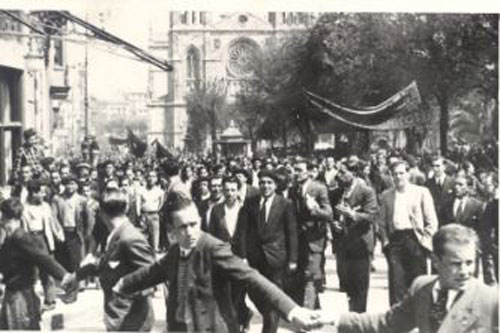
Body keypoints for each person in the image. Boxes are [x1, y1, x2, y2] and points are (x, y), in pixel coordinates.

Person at [113, 194, 321, 333]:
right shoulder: (175, 252)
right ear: (171, 231)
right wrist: (122, 284)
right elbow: (152, 273)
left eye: (194, 224)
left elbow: (252, 277)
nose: (190, 232)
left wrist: (293, 310)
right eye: (183, 227)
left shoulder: (213, 248)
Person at [317, 224, 498, 333]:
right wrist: (335, 317)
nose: (465, 271)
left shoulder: (490, 300)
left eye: (470, 262)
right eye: (456, 264)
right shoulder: (422, 287)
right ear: (435, 261)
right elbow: (388, 324)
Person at [63, 189, 156, 331]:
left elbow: (151, 277)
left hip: (131, 321)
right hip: (120, 318)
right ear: (126, 208)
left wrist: (123, 287)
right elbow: (106, 264)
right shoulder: (117, 234)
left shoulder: (130, 238)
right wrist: (77, 276)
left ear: (100, 213)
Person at [238, 170, 298, 333]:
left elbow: (291, 232)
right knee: (254, 293)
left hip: (276, 258)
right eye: (262, 182)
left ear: (276, 185)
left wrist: (293, 259)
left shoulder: (285, 204)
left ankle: (269, 328)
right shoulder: (250, 203)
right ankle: (267, 315)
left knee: (273, 297)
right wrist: (243, 255)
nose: (265, 186)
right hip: (255, 258)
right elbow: (242, 231)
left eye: (269, 183)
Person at [0, 198, 71, 330]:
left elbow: (43, 259)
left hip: (20, 297)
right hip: (12, 294)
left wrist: (65, 277)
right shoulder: (10, 236)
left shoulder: (20, 238)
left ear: (3, 215)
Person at [377, 161, 438, 305]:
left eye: (401, 173)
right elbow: (381, 223)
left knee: (418, 282)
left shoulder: (421, 192)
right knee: (397, 283)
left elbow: (432, 221)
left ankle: (419, 319)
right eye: (395, 174)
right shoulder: (386, 195)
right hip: (395, 241)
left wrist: (425, 242)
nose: (398, 177)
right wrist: (386, 242)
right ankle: (397, 322)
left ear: (408, 174)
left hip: (415, 240)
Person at [330, 161, 378, 313]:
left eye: (343, 172)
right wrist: (334, 224)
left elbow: (370, 216)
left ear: (354, 173)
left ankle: (359, 318)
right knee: (347, 285)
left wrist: (351, 214)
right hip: (343, 245)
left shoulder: (366, 191)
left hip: (360, 244)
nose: (339, 175)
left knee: (360, 285)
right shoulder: (336, 192)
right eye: (338, 171)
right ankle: (352, 316)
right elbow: (331, 214)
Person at [290, 157, 332, 309]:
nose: (296, 173)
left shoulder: (319, 188)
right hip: (298, 241)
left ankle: (307, 317)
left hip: (314, 240)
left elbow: (329, 214)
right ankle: (315, 309)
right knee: (301, 277)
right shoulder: (293, 189)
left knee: (310, 276)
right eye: (294, 170)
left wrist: (314, 209)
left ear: (308, 172)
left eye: (300, 170)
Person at [21, 179, 65, 311]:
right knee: (31, 272)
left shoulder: (46, 206)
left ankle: (50, 300)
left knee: (47, 270)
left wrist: (58, 235)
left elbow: (52, 223)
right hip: (32, 239)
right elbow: (24, 228)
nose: (43, 195)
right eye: (40, 192)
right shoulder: (25, 208)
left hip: (45, 240)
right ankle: (31, 301)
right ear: (33, 193)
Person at [136, 169, 164, 252]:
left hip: (154, 215)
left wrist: (156, 211)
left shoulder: (160, 191)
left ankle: (154, 255)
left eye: (153, 176)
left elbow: (161, 204)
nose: (151, 178)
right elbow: (138, 203)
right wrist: (139, 215)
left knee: (155, 238)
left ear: (156, 179)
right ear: (146, 178)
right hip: (143, 215)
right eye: (149, 176)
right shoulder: (141, 190)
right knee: (143, 239)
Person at [426, 157, 455, 226]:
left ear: (444, 167)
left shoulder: (452, 182)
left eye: (438, 166)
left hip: (448, 220)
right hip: (433, 219)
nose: (435, 169)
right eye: (433, 166)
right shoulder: (428, 183)